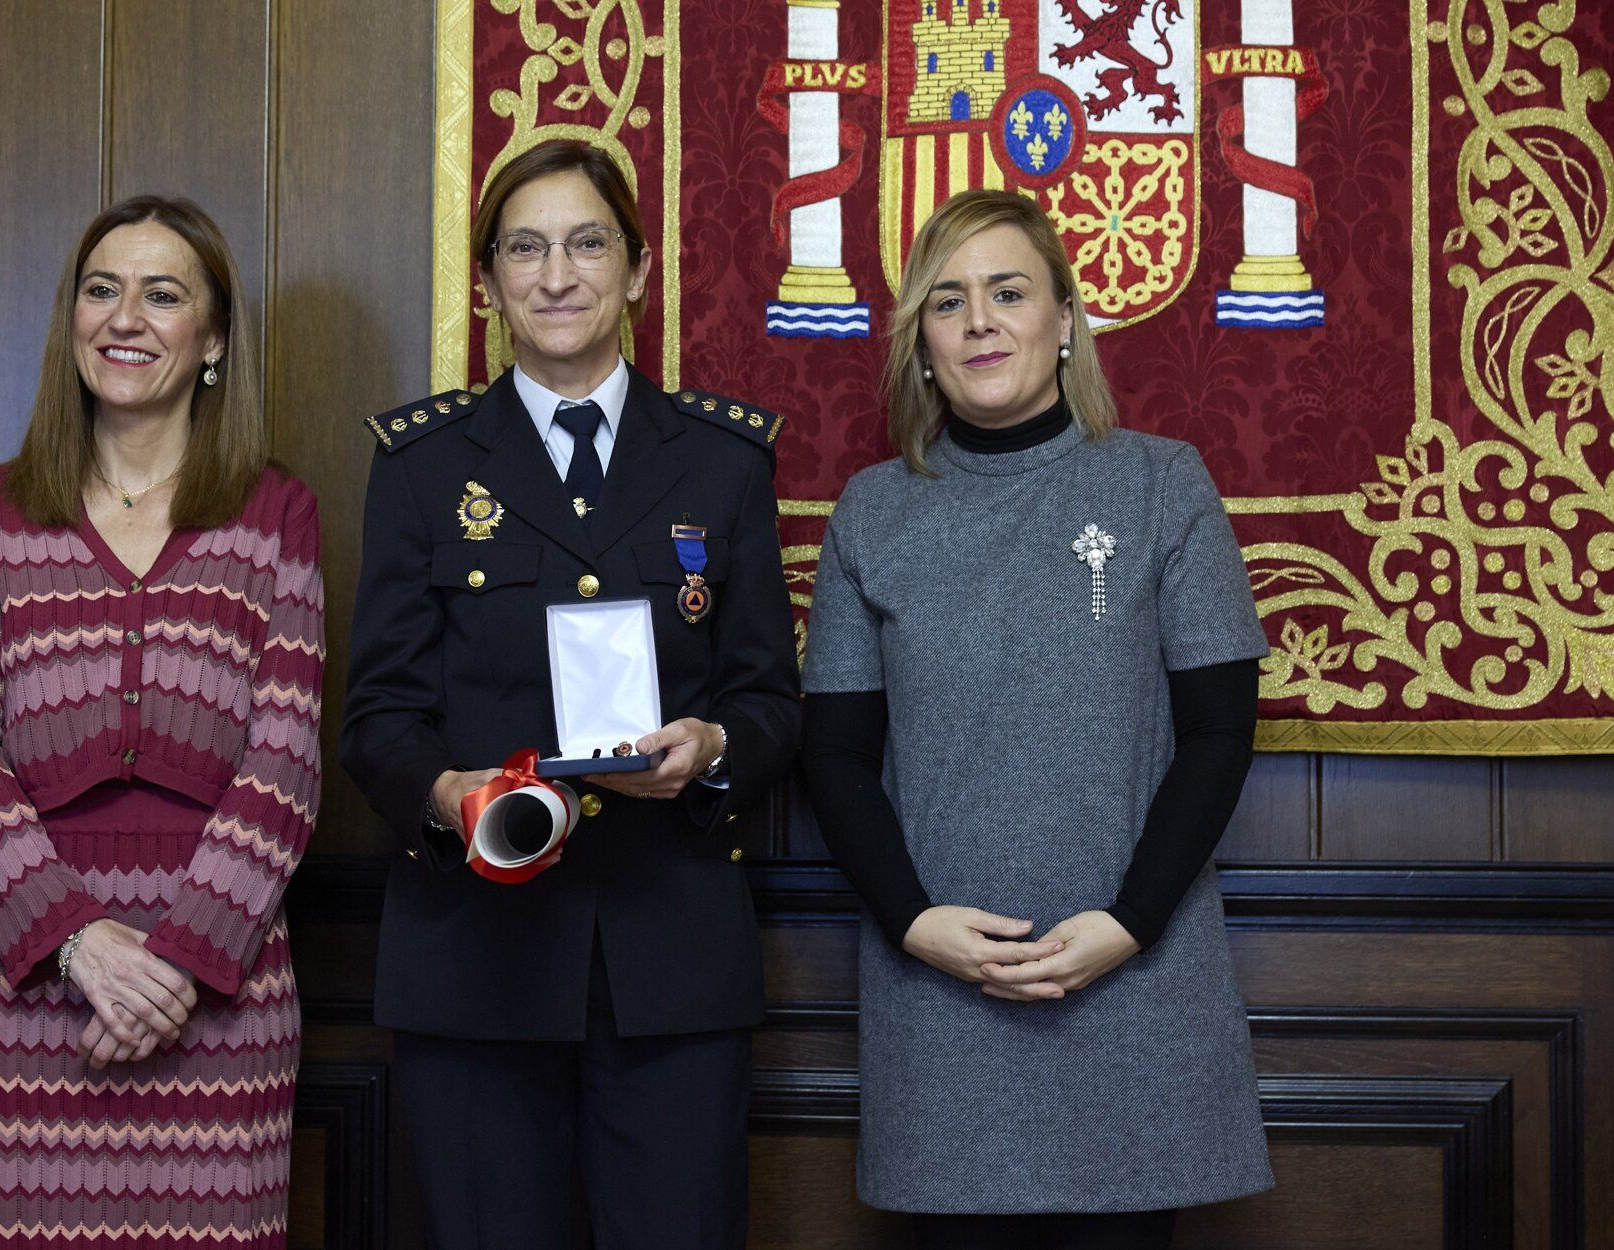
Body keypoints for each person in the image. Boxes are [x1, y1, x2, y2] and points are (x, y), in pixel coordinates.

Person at [341, 139, 799, 1249]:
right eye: (527, 248)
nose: (558, 275)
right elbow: (378, 717)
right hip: (478, 960)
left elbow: (771, 698)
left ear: (638, 271)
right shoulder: (423, 464)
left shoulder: (721, 460)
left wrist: (711, 746)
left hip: (670, 957)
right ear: (490, 282)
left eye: (588, 243)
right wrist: (447, 792)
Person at [800, 188, 1274, 1249]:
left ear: (1065, 320)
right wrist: (914, 921)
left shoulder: (1162, 482)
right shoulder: (874, 509)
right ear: (920, 343)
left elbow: (1219, 730)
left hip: (1132, 979)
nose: (979, 321)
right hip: (942, 994)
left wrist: (1129, 920)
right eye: (948, 301)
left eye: (1008, 292)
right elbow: (832, 754)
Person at [0, 196, 322, 1249]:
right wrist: (78, 943)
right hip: (31, 981)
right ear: (71, 323)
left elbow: (285, 761)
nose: (125, 316)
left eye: (163, 293)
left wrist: (178, 963)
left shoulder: (275, 511)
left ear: (214, 338)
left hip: (223, 983)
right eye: (101, 290)